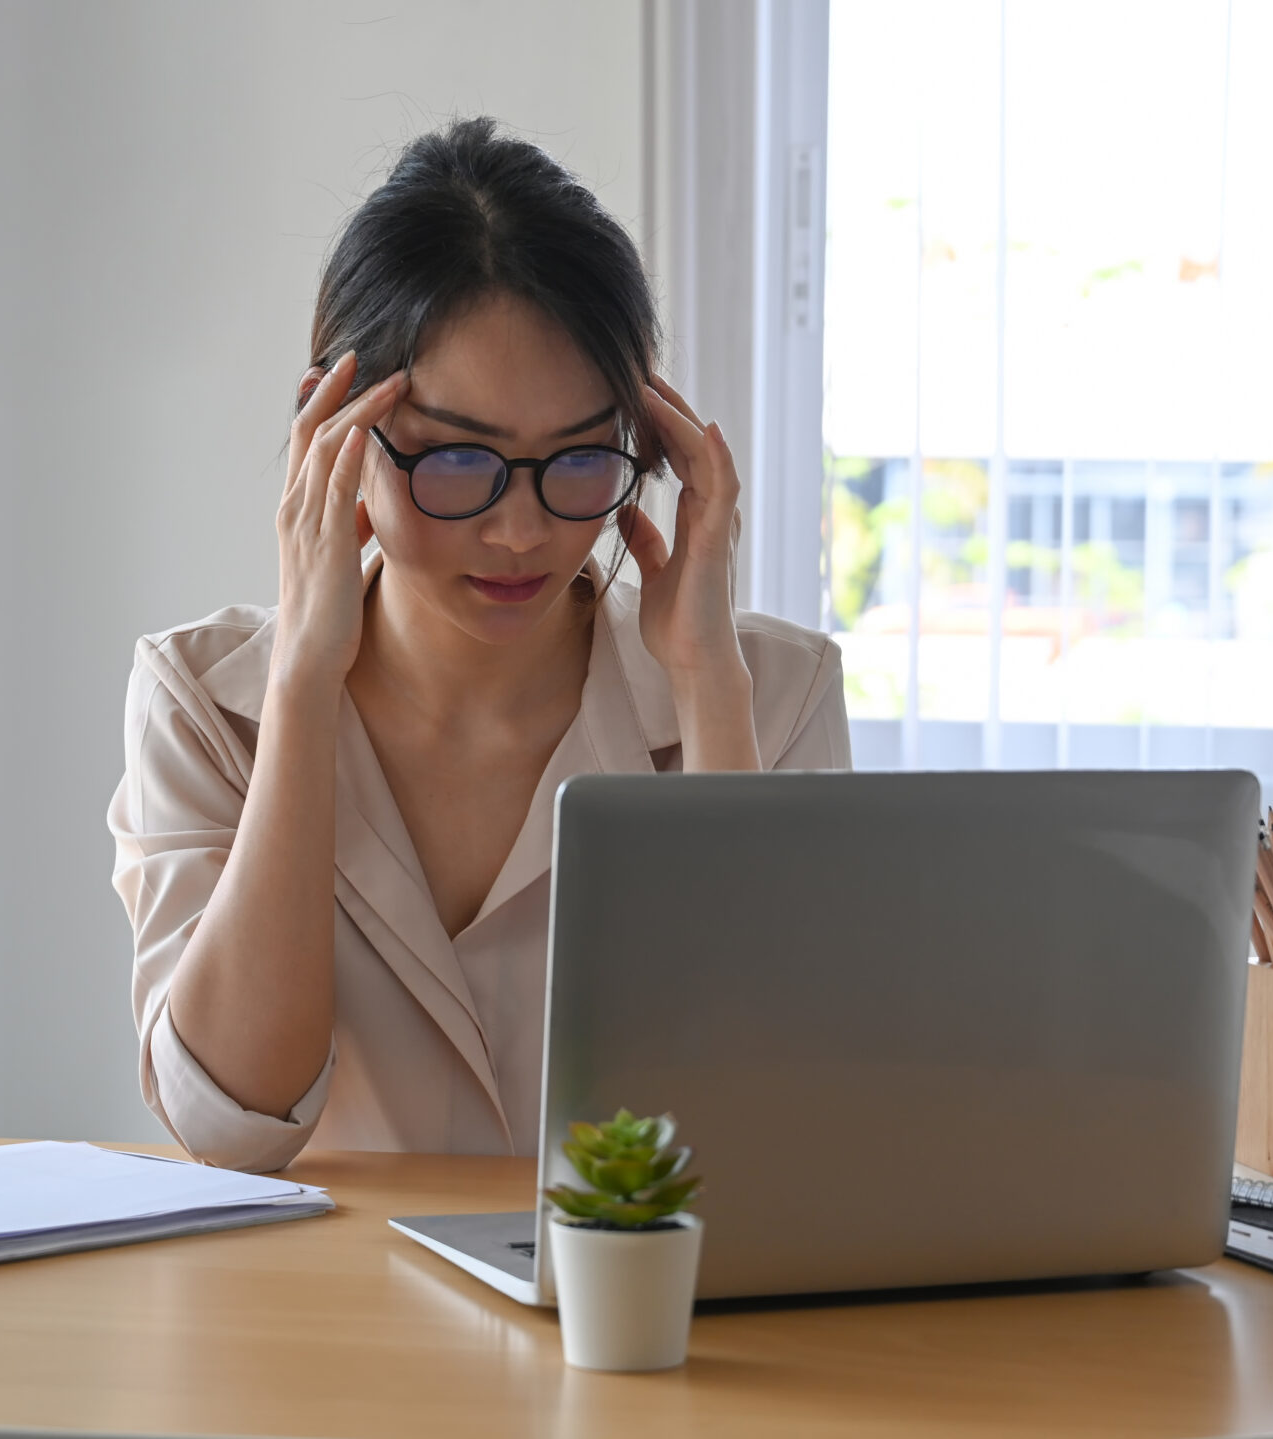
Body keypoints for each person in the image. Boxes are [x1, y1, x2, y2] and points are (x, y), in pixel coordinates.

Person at [107, 118, 850, 1172]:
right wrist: (304, 681)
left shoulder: (769, 693)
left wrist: (702, 685)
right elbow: (232, 1122)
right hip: (317, 1322)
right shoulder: (202, 697)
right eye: (460, 460)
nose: (520, 529)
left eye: (580, 460)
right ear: (336, 430)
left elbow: (773, 1127)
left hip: (637, 1320)